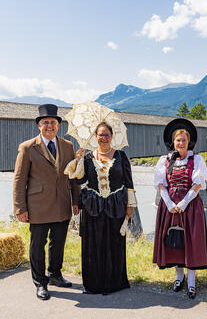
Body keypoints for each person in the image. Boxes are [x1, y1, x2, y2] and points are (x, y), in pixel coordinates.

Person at [13, 104, 80, 300]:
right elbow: (19, 179)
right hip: (38, 206)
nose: (50, 126)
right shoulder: (27, 147)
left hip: (62, 204)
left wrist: (75, 200)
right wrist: (20, 208)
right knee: (37, 246)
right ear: (39, 126)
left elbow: (73, 176)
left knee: (58, 243)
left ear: (58, 125)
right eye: (46, 123)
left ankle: (55, 275)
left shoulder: (68, 146)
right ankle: (40, 282)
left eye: (53, 122)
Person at [64, 122, 137, 294]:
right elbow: (79, 180)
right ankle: (94, 283)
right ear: (95, 137)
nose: (103, 138)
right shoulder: (88, 157)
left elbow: (129, 183)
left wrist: (130, 205)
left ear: (112, 137)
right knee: (93, 244)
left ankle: (114, 283)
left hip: (116, 205)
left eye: (107, 135)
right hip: (93, 206)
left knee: (114, 243)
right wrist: (78, 160)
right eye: (100, 134)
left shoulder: (121, 156)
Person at [152, 118, 207, 299]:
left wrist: (184, 203)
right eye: (178, 140)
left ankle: (191, 283)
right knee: (174, 241)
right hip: (169, 206)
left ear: (189, 141)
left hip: (190, 206)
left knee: (190, 242)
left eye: (184, 140)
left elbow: (198, 184)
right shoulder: (165, 160)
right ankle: (179, 278)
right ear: (173, 142)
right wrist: (169, 204)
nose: (181, 143)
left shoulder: (197, 159)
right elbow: (161, 184)